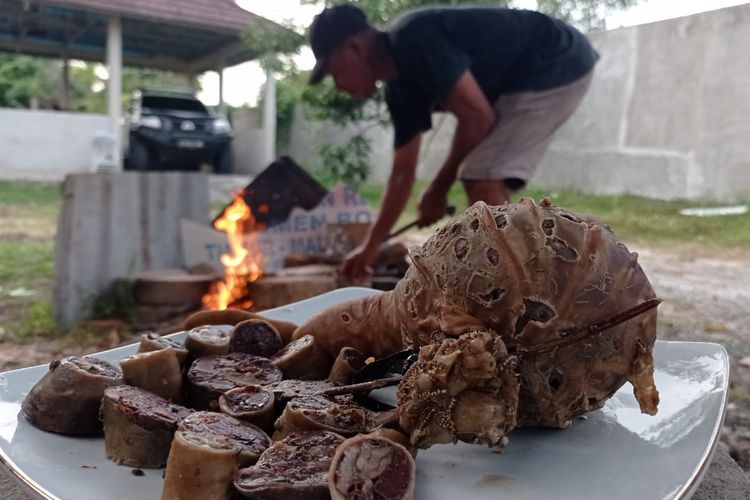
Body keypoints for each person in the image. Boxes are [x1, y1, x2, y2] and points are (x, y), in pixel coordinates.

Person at [307, 3, 598, 278]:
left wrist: (438, 188)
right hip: (530, 73)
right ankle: (519, 271)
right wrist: (369, 248)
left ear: (353, 48)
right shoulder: (400, 92)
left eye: (334, 73)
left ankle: (522, 282)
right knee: (480, 175)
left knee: (482, 177)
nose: (339, 86)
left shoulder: (412, 39)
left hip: (557, 59)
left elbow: (478, 118)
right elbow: (401, 176)